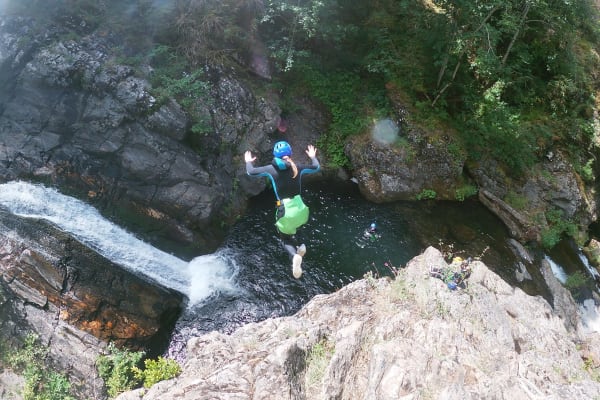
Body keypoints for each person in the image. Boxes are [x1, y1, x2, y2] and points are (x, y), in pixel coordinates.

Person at [245, 141, 320, 278]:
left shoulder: (270, 169)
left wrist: (248, 161)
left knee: (285, 238)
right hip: (301, 208)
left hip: (285, 211)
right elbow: (316, 167)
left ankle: (294, 256)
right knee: (299, 225)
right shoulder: (297, 167)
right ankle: (302, 245)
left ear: (275, 155)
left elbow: (250, 172)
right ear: (290, 154)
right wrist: (312, 156)